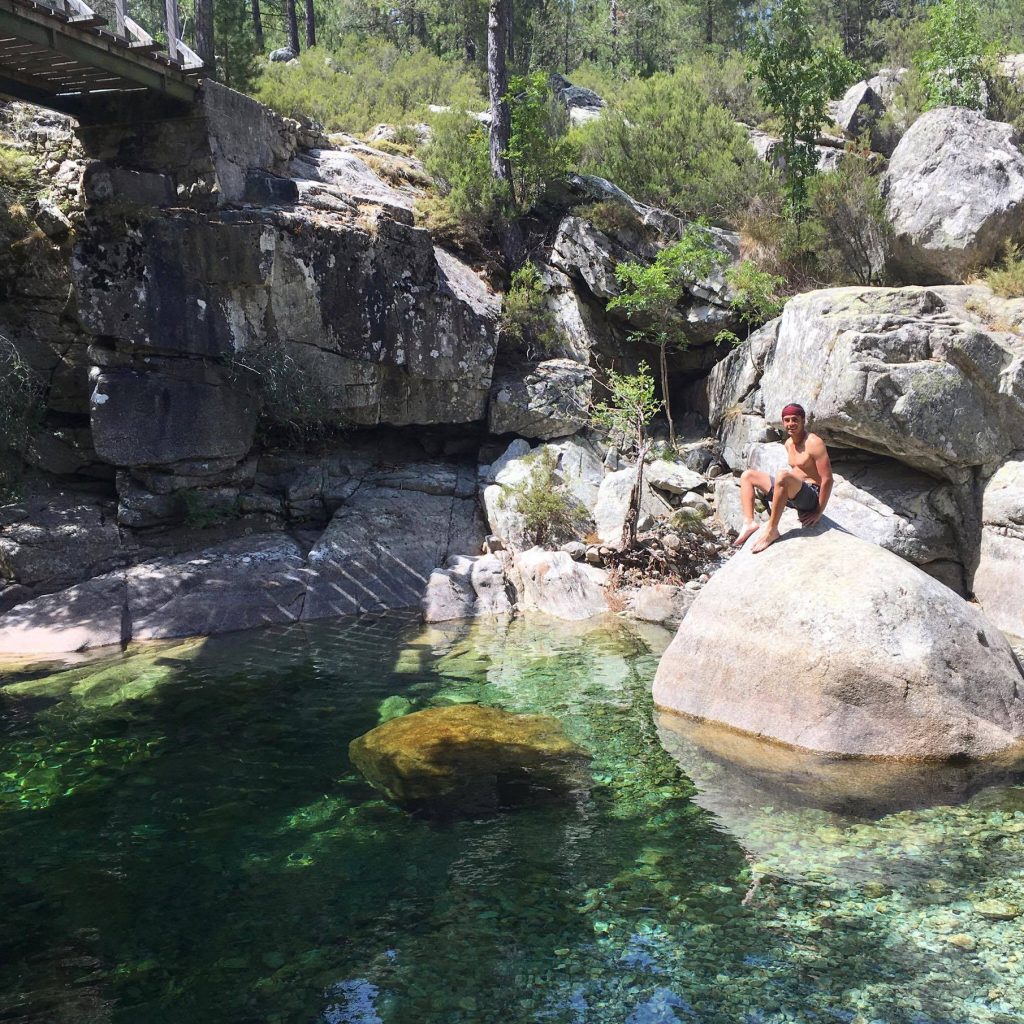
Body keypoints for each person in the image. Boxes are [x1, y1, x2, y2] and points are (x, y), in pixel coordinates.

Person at [733, 403, 833, 554]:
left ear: (803, 420)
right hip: (794, 495)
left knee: (783, 475)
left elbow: (827, 479)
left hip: (811, 497)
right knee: (748, 476)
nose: (791, 424)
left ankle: (772, 530)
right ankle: (749, 523)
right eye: (787, 420)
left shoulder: (814, 442)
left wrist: (819, 511)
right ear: (783, 422)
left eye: (795, 419)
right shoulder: (788, 443)